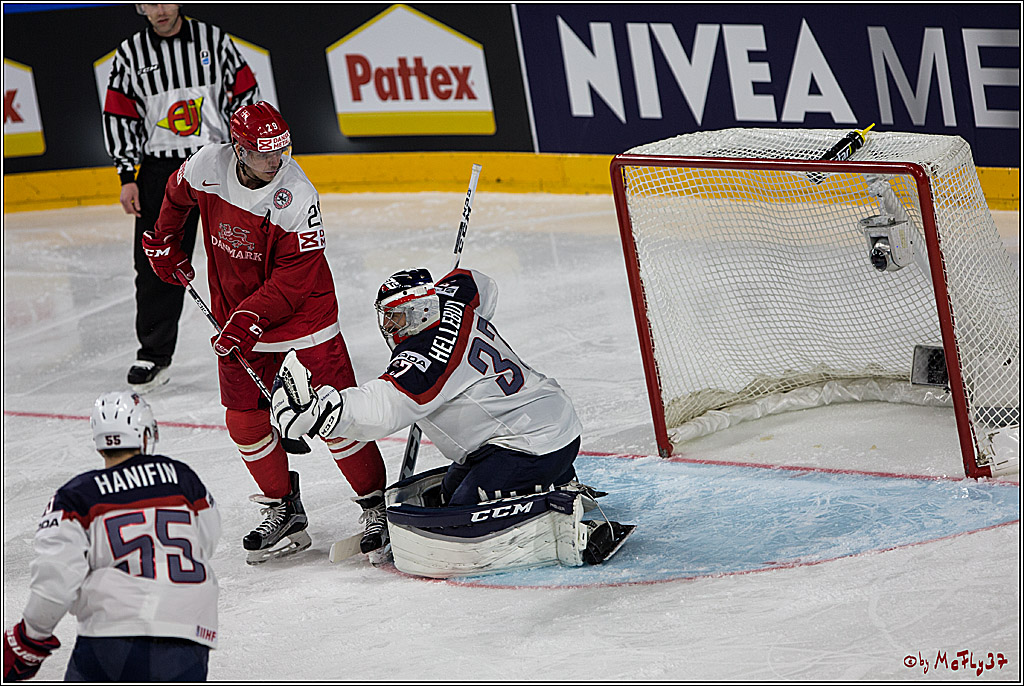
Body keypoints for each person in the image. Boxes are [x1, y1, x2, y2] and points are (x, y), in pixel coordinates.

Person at [143, 100, 389, 565]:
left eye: (283, 151)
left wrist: (249, 316)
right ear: (239, 150)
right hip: (240, 316)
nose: (277, 162)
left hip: (304, 318)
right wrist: (163, 240)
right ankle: (283, 507)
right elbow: (176, 197)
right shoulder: (207, 166)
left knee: (337, 416)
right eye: (265, 154)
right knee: (244, 420)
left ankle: (376, 507)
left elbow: (297, 276)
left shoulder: (296, 194)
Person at [271, 268, 635, 573]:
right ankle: (558, 479)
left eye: (399, 316)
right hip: (534, 425)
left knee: (457, 522)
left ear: (420, 311)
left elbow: (384, 407)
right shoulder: (455, 300)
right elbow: (480, 283)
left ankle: (574, 533)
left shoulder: (426, 355)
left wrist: (319, 410)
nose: (393, 326)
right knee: (446, 495)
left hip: (529, 443)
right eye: (390, 317)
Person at [2, 391, 220, 682]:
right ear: (144, 434)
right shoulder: (183, 478)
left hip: (114, 634)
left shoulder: (76, 495)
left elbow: (56, 578)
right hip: (189, 630)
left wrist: (30, 637)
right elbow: (207, 540)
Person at [102, 3, 260, 392]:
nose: (157, 10)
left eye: (164, 0)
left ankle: (260, 342)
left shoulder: (214, 40)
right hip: (159, 171)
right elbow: (120, 115)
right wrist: (128, 175)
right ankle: (154, 356)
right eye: (147, 3)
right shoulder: (130, 53)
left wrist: (248, 156)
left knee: (243, 256)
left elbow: (245, 96)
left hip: (219, 163)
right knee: (158, 261)